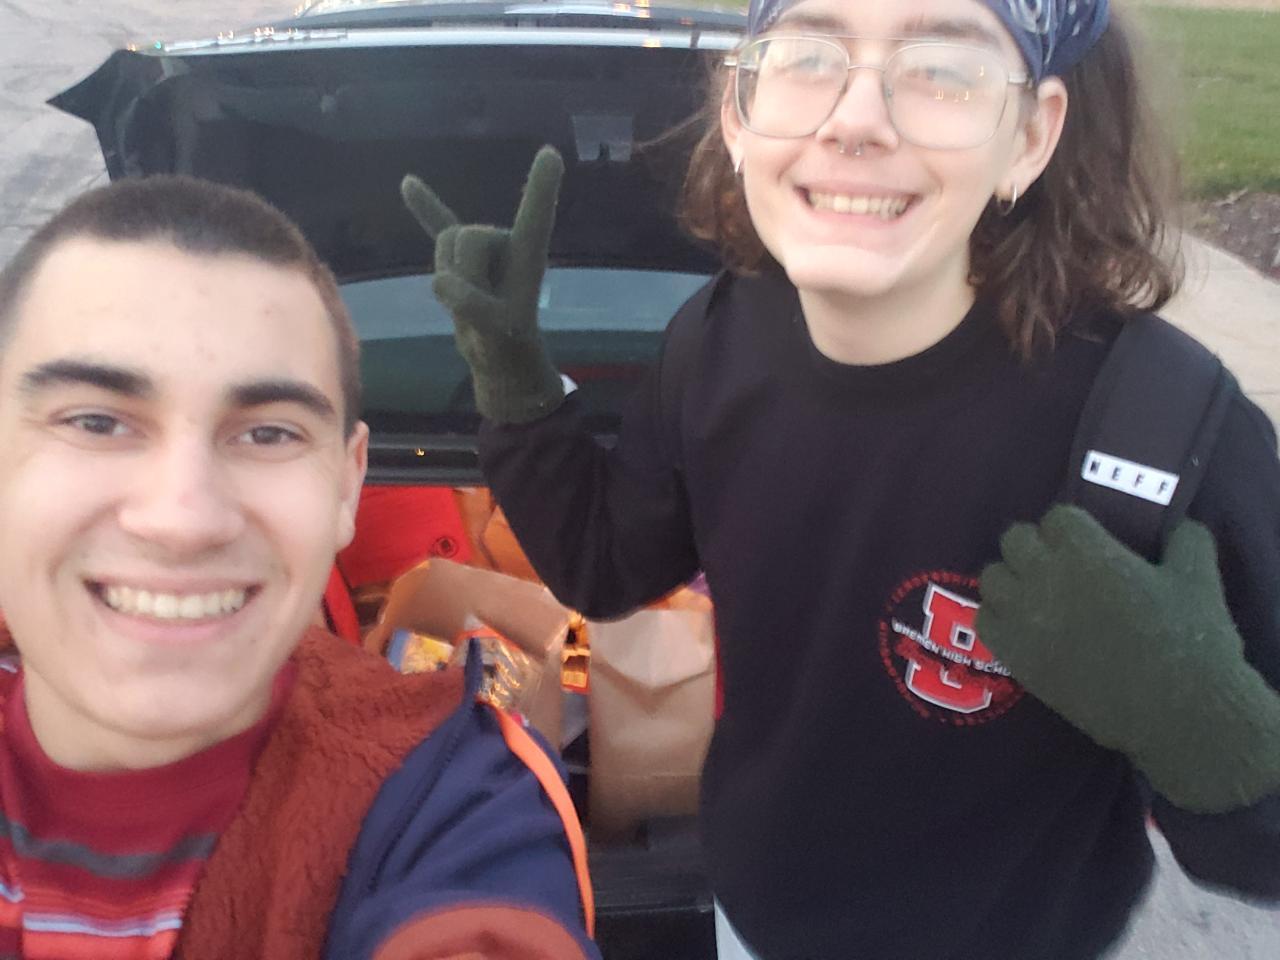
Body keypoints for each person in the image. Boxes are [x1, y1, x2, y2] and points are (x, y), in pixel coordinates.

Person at [401, 0, 1280, 957]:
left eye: (941, 68)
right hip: (756, 920)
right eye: (809, 56)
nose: (856, 119)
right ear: (739, 114)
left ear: (1032, 136)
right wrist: (515, 384)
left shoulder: (1164, 431)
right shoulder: (719, 339)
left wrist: (1201, 730)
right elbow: (606, 566)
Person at [0, 175, 598, 960]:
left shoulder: (444, 799)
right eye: (96, 421)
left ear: (349, 483)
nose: (183, 519)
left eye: (269, 434)